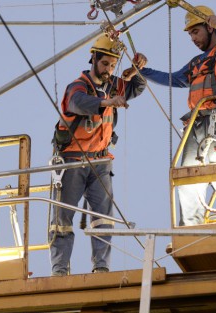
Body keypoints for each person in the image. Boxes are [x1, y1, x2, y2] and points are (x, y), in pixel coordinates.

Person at [139, 6, 216, 226]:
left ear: (210, 27)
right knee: (187, 178)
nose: (193, 37)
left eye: (196, 31)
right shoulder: (196, 63)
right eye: (190, 33)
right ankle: (189, 230)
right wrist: (141, 71)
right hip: (195, 124)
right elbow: (172, 79)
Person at [49, 35, 147, 276]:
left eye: (113, 66)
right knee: (62, 219)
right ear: (93, 59)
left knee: (103, 219)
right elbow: (78, 103)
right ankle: (60, 269)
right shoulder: (78, 87)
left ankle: (101, 267)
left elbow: (137, 88)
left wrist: (137, 72)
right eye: (105, 64)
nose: (109, 70)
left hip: (101, 162)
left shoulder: (112, 84)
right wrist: (108, 101)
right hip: (73, 161)